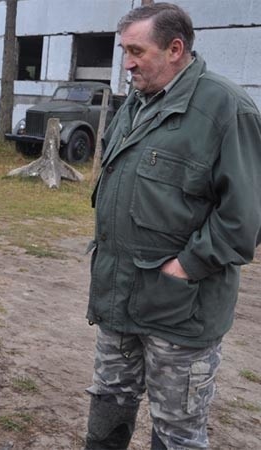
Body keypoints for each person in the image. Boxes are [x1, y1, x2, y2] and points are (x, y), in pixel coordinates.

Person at [84, 3, 261, 450]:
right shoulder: (138, 103)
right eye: (124, 50)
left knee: (177, 431)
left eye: (136, 51)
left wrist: (185, 266)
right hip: (118, 297)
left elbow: (245, 218)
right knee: (108, 403)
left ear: (175, 49)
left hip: (180, 311)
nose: (126, 62)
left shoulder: (226, 109)